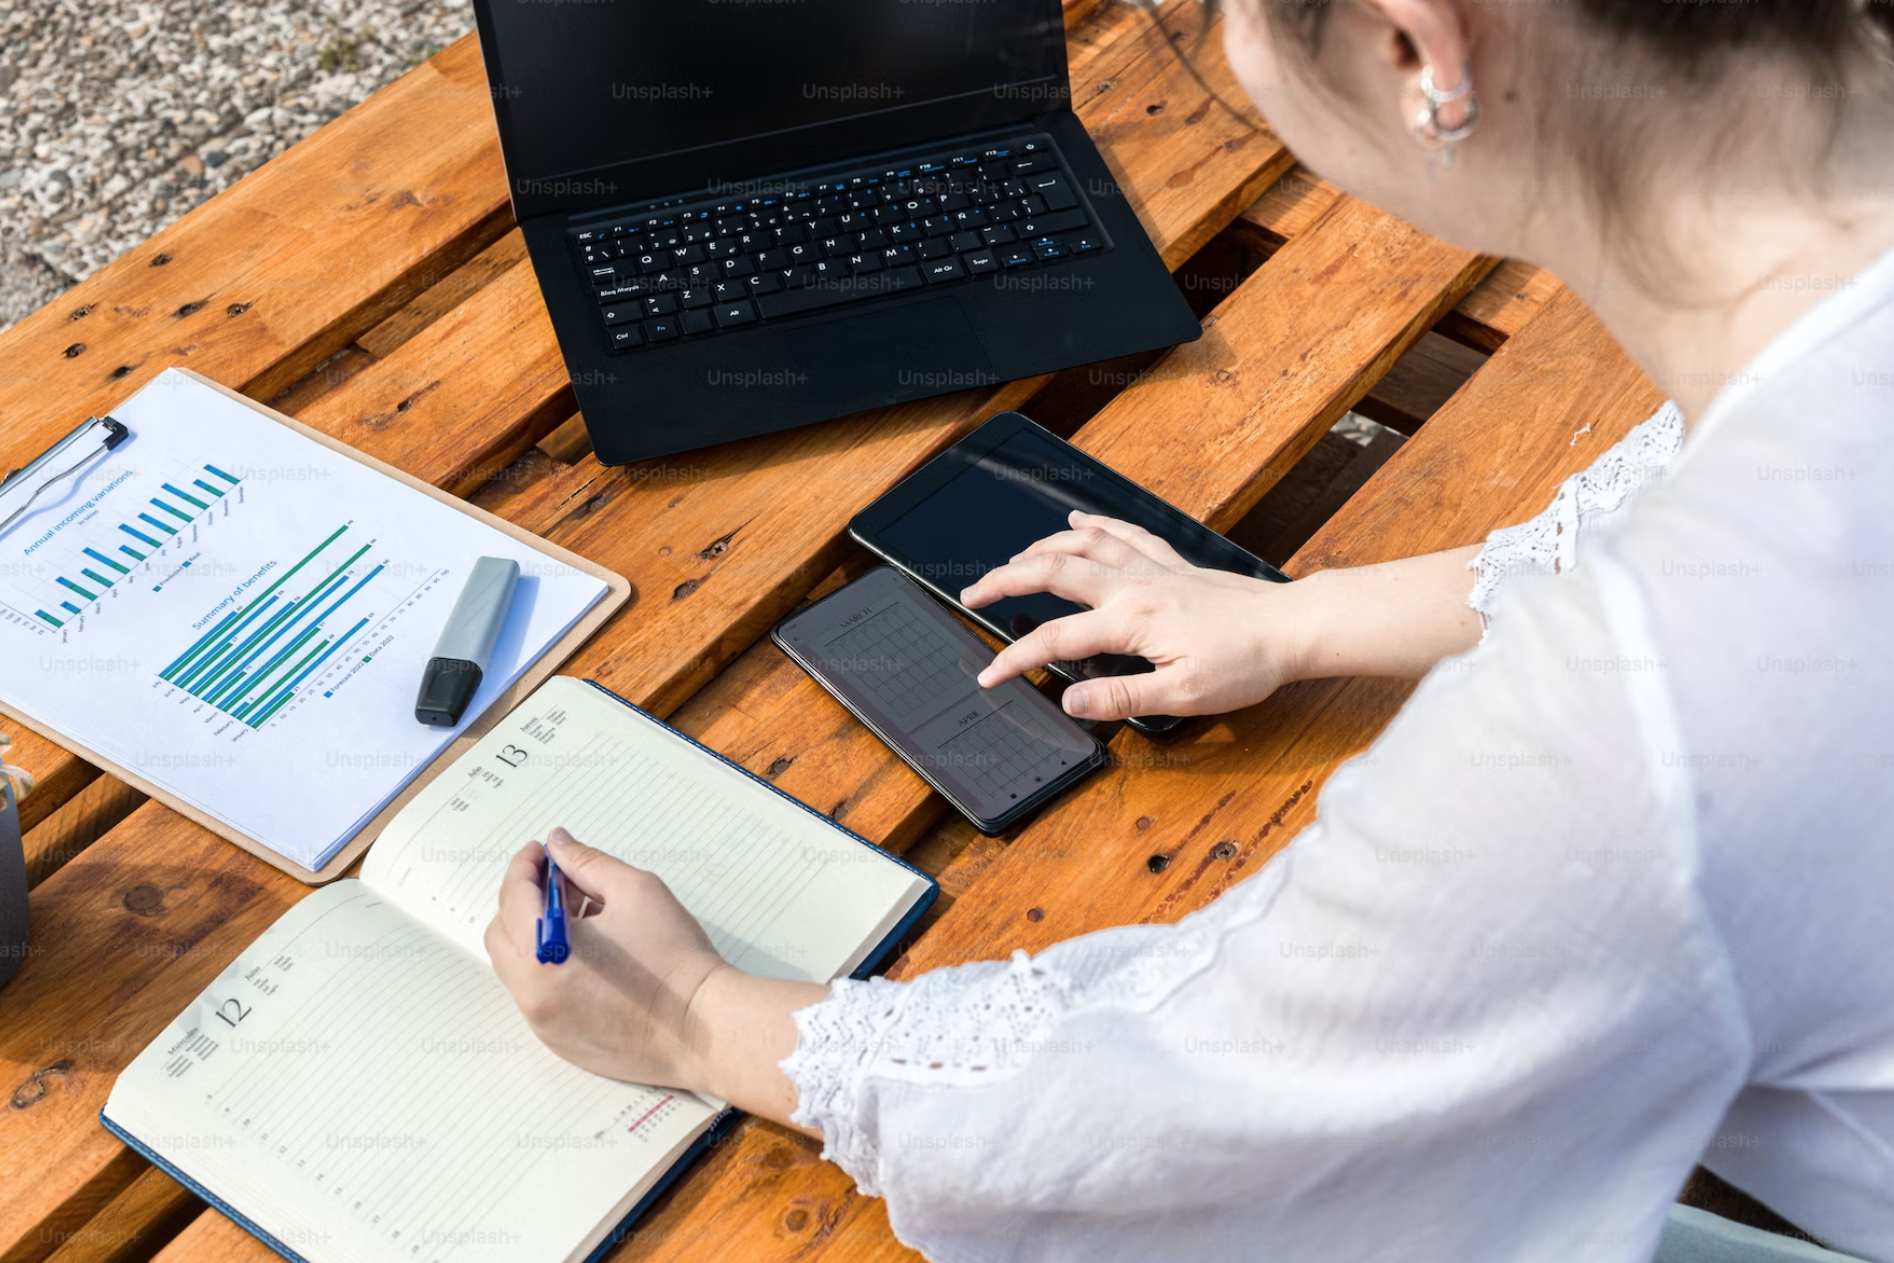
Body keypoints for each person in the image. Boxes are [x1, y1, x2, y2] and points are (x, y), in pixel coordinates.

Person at [482, 1, 1894, 1259]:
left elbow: (1173, 1113)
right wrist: (1299, 615)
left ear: (1417, 47)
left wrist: (693, 1016)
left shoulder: (1635, 728)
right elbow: (1673, 522)